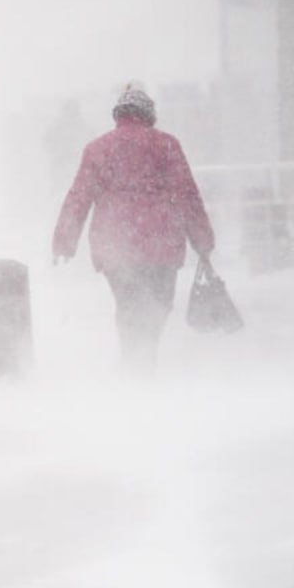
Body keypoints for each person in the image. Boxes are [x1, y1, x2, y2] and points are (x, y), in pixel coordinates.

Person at [52, 83, 215, 374]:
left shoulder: (97, 149)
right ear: (149, 115)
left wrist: (65, 241)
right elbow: (187, 194)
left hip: (115, 246)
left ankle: (133, 360)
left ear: (119, 115)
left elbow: (79, 196)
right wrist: (202, 240)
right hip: (162, 245)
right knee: (159, 306)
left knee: (128, 303)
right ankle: (143, 360)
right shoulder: (166, 145)